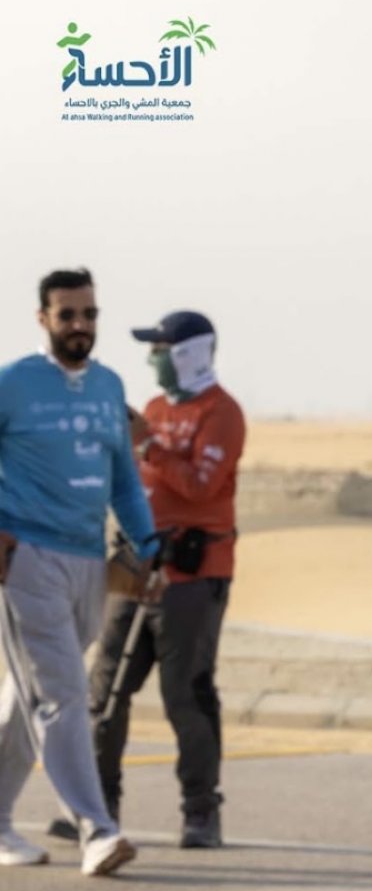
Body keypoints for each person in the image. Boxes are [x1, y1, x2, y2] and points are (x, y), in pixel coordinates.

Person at [0, 268, 158, 876]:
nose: (79, 325)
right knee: (65, 691)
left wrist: (149, 545)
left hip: (89, 561)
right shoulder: (14, 383)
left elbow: (124, 481)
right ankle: (97, 829)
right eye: (66, 314)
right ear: (43, 318)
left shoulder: (108, 387)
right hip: (27, 560)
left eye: (88, 314)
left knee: (30, 695)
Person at [84, 310, 244, 848]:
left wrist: (148, 446)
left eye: (160, 349)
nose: (152, 359)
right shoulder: (153, 410)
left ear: (187, 354)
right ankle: (96, 806)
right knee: (106, 688)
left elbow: (201, 485)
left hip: (193, 575)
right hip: (136, 567)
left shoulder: (222, 413)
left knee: (185, 693)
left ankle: (201, 810)